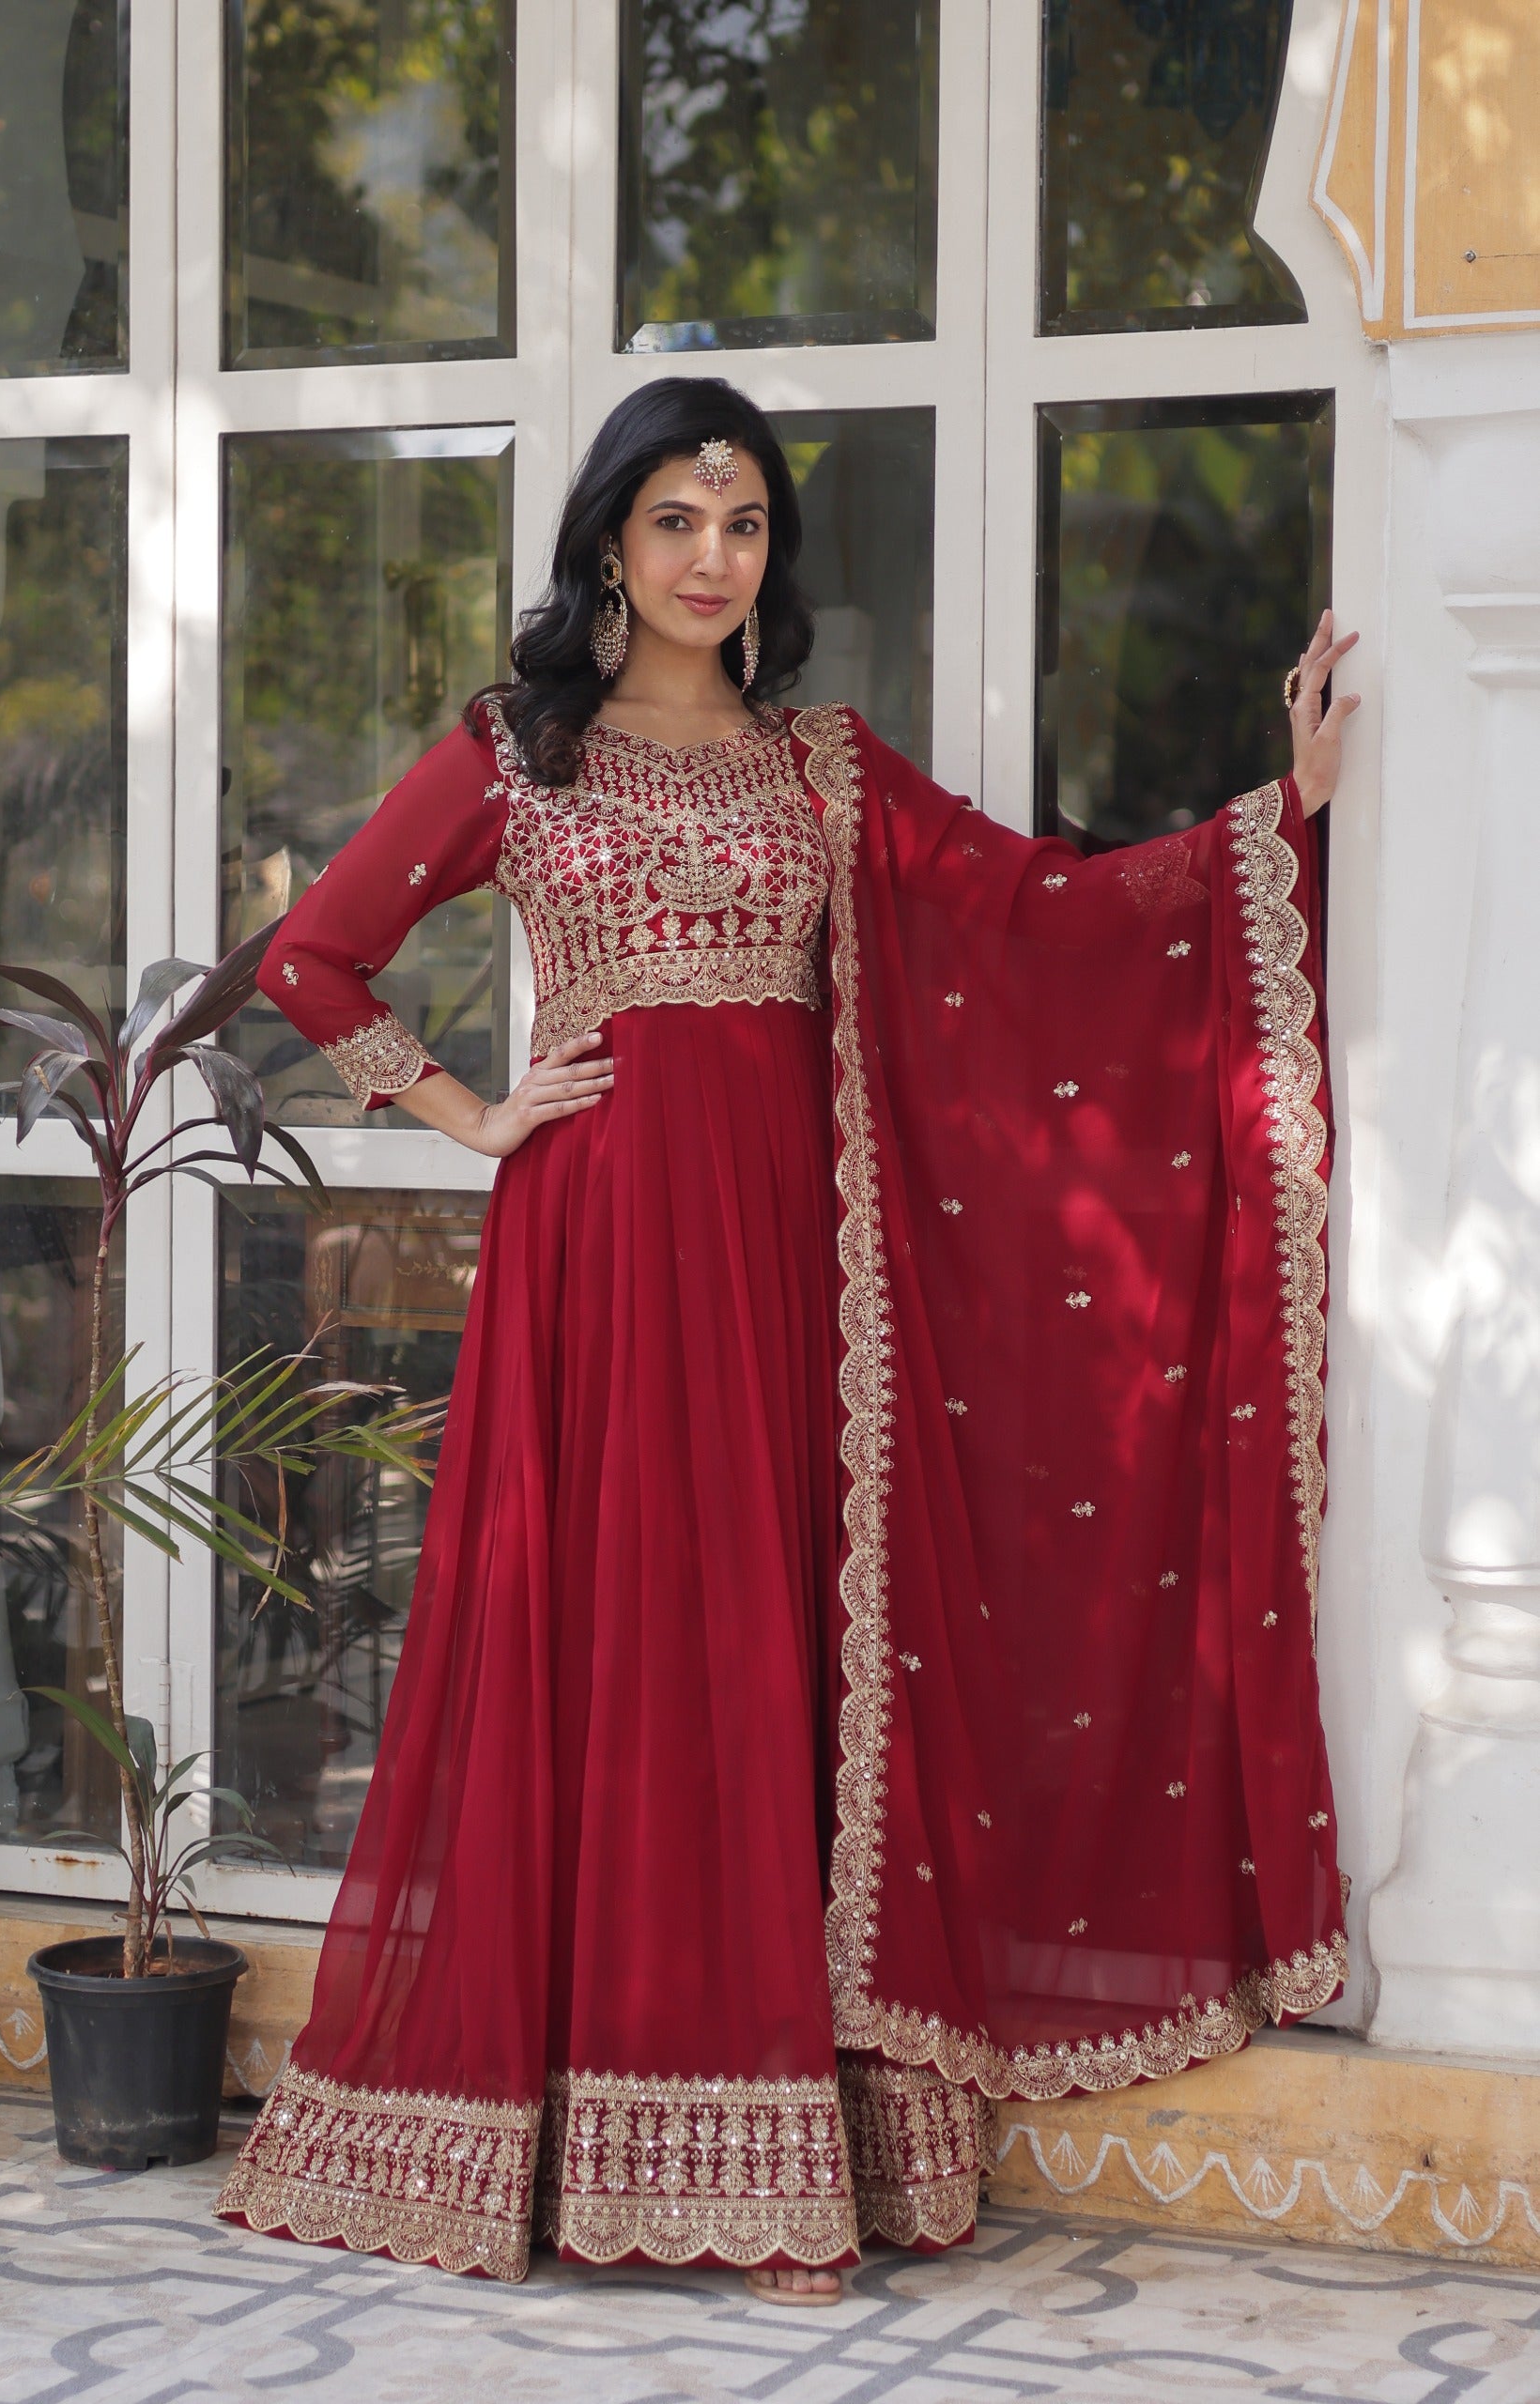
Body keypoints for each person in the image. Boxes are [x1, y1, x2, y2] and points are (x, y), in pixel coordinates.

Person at [217, 376, 1360, 2304]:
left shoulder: (821, 767)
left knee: (769, 1637)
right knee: (614, 1632)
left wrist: (1277, 818)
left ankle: (781, 2138)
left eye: (741, 524)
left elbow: (1031, 915)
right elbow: (312, 954)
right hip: (595, 1245)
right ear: (610, 539)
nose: (709, 557)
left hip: (787, 1260)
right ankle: (587, 2130)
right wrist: (471, 1111)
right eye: (675, 519)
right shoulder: (516, 751)